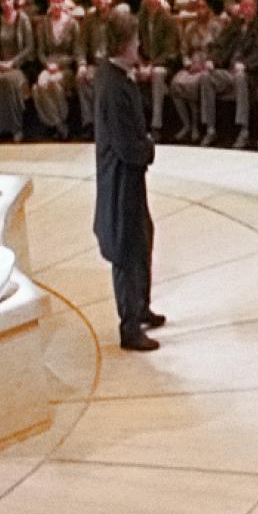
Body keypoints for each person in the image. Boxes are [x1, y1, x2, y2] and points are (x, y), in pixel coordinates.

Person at [93, 23, 162, 352]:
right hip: (121, 180)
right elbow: (125, 145)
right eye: (135, 40)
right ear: (123, 44)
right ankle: (129, 327)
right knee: (126, 248)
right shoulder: (113, 85)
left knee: (143, 238)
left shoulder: (117, 77)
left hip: (131, 177)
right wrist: (148, 148)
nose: (139, 45)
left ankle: (141, 307)